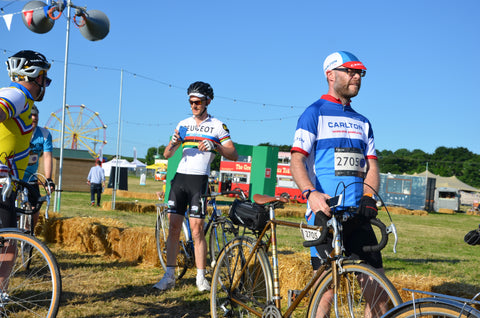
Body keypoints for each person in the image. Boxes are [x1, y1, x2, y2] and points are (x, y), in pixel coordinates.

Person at [290, 51, 383, 315]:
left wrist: (369, 196)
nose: (356, 77)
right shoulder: (313, 113)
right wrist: (311, 194)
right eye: (350, 71)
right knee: (325, 293)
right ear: (330, 75)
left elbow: (372, 166)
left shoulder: (363, 122)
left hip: (358, 215)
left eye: (359, 73)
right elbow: (297, 161)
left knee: (378, 293)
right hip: (325, 215)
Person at [154, 81, 238, 292]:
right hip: (180, 179)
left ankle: (201, 278)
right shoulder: (182, 123)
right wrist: (173, 142)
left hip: (199, 180)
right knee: (174, 228)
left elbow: (233, 154)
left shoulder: (218, 125)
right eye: (191, 102)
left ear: (208, 101)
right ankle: (169, 276)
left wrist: (215, 146)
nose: (194, 106)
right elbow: (167, 154)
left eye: (198, 102)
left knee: (197, 230)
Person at [0, 50, 51, 289]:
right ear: (33, 75)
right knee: (9, 241)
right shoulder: (17, 95)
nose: (46, 84)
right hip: (2, 181)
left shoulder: (22, 100)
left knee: (9, 242)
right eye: (44, 77)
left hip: (9, 182)